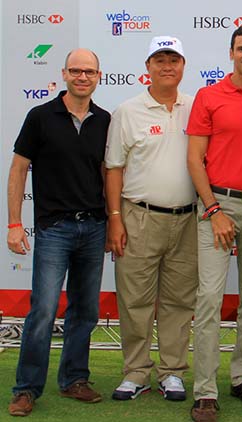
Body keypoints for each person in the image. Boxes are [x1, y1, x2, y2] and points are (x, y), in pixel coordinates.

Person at [6, 49, 110, 417]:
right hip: (54, 229)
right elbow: (19, 170)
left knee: (85, 310)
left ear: (99, 76)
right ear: (64, 74)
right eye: (76, 71)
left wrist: (113, 223)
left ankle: (74, 380)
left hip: (95, 228)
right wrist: (15, 223)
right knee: (44, 311)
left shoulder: (104, 120)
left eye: (90, 71)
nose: (83, 77)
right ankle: (26, 388)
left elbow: (106, 176)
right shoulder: (40, 117)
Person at [186, 26, 242, 422]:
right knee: (209, 300)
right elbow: (194, 159)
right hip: (217, 206)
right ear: (231, 52)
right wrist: (213, 210)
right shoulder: (209, 96)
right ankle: (205, 391)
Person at [105, 36, 197, 403]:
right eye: (159, 60)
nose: (166, 66)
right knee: (135, 300)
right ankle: (136, 372)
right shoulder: (128, 111)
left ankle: (172, 372)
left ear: (183, 66)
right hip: (138, 216)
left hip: (188, 220)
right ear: (147, 68)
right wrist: (115, 218)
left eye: (173, 59)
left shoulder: (197, 106)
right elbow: (113, 168)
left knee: (178, 301)